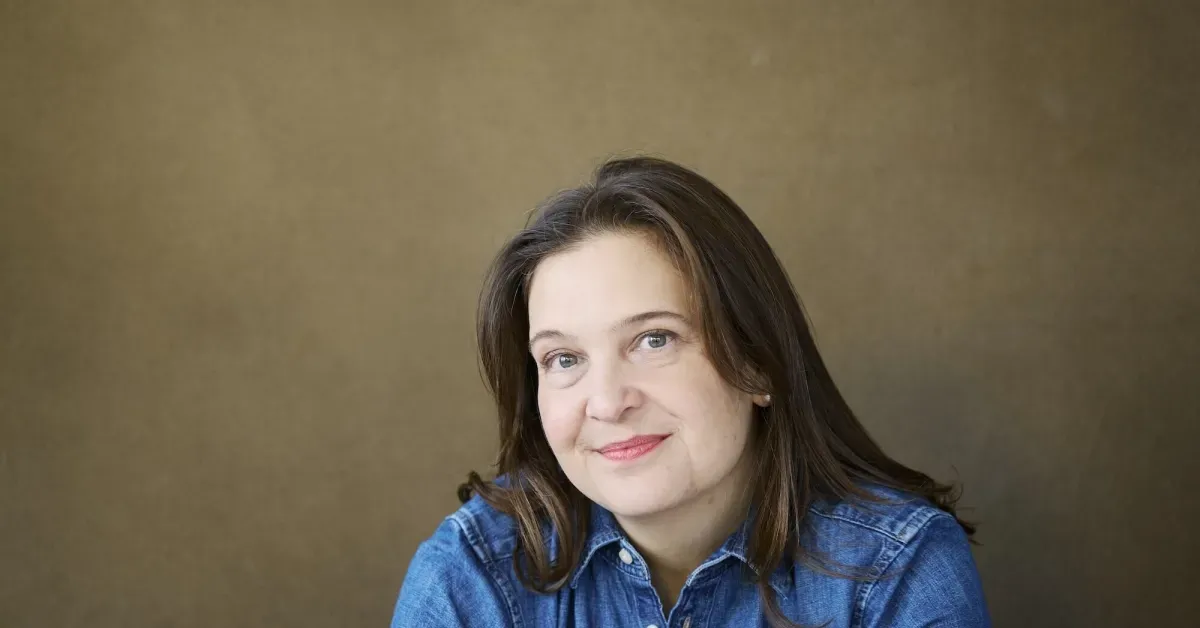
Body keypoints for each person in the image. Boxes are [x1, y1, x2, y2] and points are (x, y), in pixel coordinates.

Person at [391, 157, 990, 627]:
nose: (608, 402)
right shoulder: (474, 574)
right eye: (564, 358)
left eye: (654, 340)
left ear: (757, 364)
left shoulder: (895, 570)